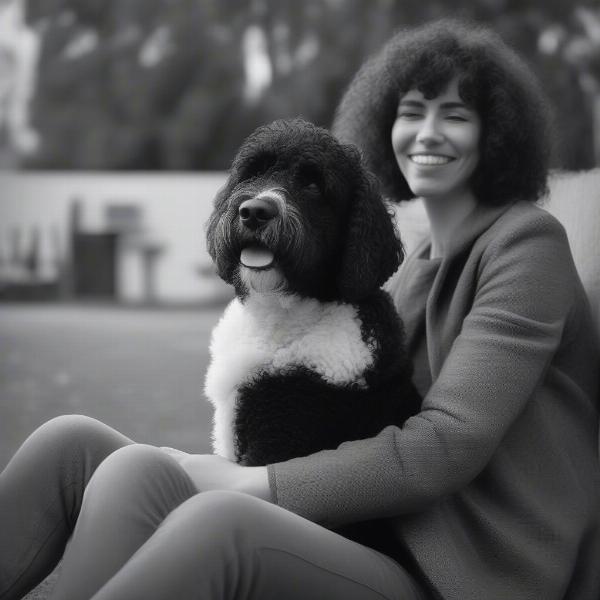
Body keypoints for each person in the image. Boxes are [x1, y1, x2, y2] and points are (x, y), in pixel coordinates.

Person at [1, 18, 599, 600]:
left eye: (457, 115)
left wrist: (251, 482)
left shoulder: (525, 247)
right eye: (412, 112)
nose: (428, 133)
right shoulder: (405, 268)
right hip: (370, 527)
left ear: (497, 136)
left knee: (219, 525)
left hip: (458, 569)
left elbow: (443, 449)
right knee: (81, 446)